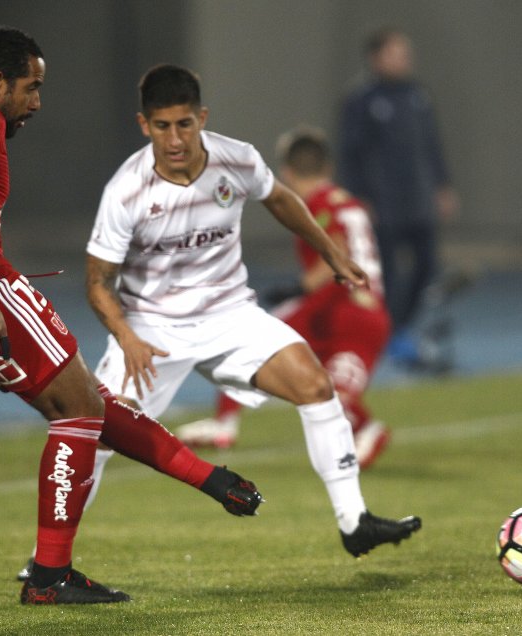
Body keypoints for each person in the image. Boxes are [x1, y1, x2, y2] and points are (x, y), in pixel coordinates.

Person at [0, 27, 262, 606]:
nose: (36, 102)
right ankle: (49, 576)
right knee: (78, 408)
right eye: (31, 87)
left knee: (79, 403)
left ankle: (208, 480)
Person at [83, 64, 420, 558]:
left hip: (229, 317)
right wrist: (127, 338)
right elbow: (97, 283)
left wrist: (331, 253)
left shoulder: (235, 159)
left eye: (184, 124)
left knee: (315, 385)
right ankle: (48, 563)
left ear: (202, 117)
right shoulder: (126, 190)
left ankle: (355, 522)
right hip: (153, 328)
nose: (174, 138)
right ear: (143, 125)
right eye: (161, 126)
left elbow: (280, 199)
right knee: (96, 434)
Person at [175, 127, 392, 469]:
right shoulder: (347, 201)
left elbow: (338, 248)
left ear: (287, 172)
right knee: (323, 388)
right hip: (367, 311)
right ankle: (366, 429)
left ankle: (224, 424)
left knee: (245, 340)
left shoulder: (318, 202)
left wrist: (300, 287)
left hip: (336, 306)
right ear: (328, 167)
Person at [338, 27, 458, 367]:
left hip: (418, 198)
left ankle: (400, 325)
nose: (405, 59)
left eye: (406, 52)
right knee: (387, 273)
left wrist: (442, 185)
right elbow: (351, 152)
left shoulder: (418, 95)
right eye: (396, 52)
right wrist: (358, 196)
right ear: (376, 58)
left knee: (426, 265)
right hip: (383, 202)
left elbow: (432, 144)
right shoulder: (360, 100)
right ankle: (391, 333)